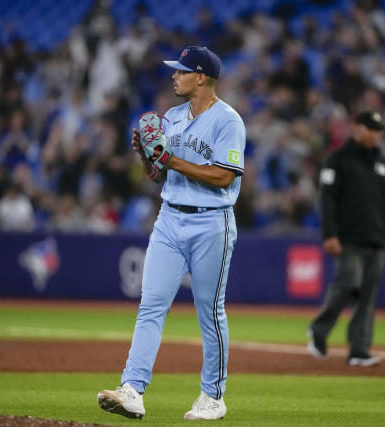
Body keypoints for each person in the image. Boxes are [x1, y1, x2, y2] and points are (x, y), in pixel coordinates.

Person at [97, 46, 246, 420]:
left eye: (181, 71)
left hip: (212, 222)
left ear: (200, 77)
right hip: (169, 218)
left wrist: (171, 159)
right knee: (151, 304)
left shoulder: (229, 121)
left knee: (209, 313)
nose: (174, 76)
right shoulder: (173, 117)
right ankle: (132, 389)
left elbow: (224, 176)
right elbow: (161, 174)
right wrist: (148, 157)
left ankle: (213, 396)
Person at [307, 110, 385, 367]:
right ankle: (319, 330)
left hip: (376, 238)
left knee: (368, 295)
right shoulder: (338, 159)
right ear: (357, 128)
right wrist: (329, 234)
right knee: (348, 283)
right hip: (348, 238)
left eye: (378, 130)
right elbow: (327, 200)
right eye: (371, 128)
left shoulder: (384, 163)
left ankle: (359, 350)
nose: (375, 134)